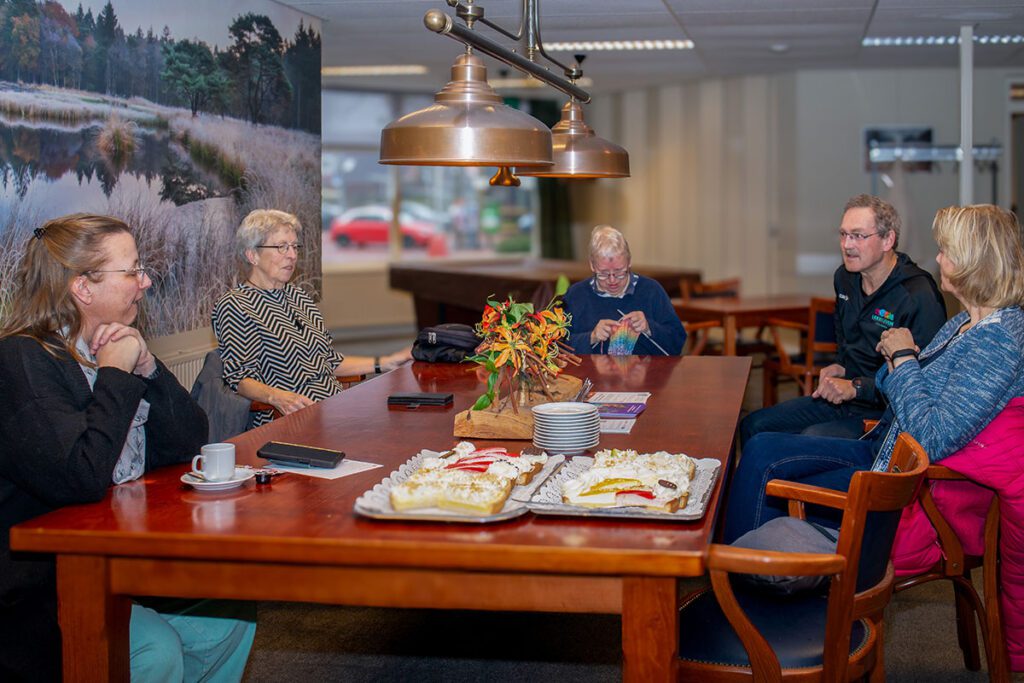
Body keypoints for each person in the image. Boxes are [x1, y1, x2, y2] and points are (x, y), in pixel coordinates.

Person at [0, 214, 256, 680]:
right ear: (83, 287)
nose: (145, 281)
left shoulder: (110, 343)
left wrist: (148, 369)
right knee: (154, 651)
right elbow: (78, 476)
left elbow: (188, 442)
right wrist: (116, 375)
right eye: (132, 270)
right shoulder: (23, 359)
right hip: (38, 588)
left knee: (230, 621)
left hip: (118, 557)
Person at [724, 204, 1024, 544]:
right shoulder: (965, 324)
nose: (938, 259)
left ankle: (747, 574)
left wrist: (902, 357)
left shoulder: (995, 339)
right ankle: (742, 562)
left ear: (974, 262)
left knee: (770, 469)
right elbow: (896, 380)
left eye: (946, 251)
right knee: (761, 443)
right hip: (883, 446)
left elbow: (931, 437)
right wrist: (893, 365)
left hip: (895, 473)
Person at [739, 194, 946, 445]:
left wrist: (857, 387)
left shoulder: (918, 294)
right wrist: (839, 365)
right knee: (754, 425)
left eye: (858, 236)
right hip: (844, 398)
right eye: (843, 234)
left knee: (810, 440)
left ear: (887, 240)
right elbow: (844, 337)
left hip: (886, 413)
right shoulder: (845, 278)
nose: (847, 245)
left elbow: (926, 381)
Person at [212, 209, 411, 426]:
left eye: (294, 247)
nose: (292, 255)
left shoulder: (298, 296)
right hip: (289, 422)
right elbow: (240, 379)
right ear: (253, 255)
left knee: (403, 420)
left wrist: (385, 362)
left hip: (333, 410)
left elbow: (330, 361)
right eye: (281, 247)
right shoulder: (235, 305)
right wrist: (277, 397)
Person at [563, 225, 686, 355]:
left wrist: (649, 328)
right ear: (592, 265)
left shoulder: (651, 291)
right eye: (603, 273)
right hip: (589, 375)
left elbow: (677, 342)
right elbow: (555, 347)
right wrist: (591, 337)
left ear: (629, 262)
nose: (612, 280)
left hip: (648, 374)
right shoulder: (576, 295)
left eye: (620, 272)